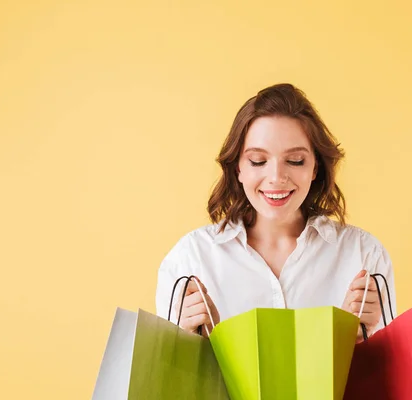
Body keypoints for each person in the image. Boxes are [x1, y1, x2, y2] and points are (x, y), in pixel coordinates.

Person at [155, 83, 396, 341]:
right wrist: (188, 339)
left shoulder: (363, 255)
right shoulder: (191, 259)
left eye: (295, 161)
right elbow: (169, 376)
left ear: (315, 168)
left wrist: (361, 337)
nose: (276, 178)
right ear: (238, 167)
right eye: (258, 161)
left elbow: (390, 377)